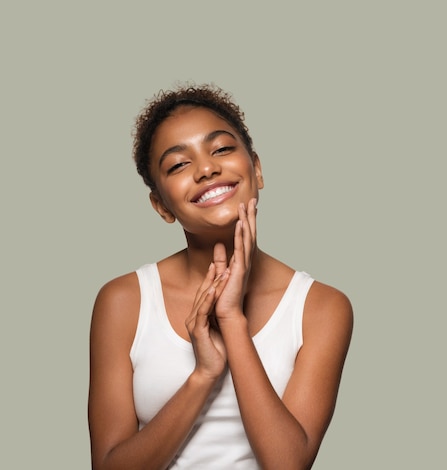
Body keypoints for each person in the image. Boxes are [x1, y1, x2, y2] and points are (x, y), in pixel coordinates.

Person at [88, 83, 353, 469]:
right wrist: (204, 375)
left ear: (257, 169)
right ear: (161, 205)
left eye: (222, 149)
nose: (207, 169)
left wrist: (231, 321)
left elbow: (288, 465)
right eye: (178, 164)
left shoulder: (322, 307)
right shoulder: (123, 300)